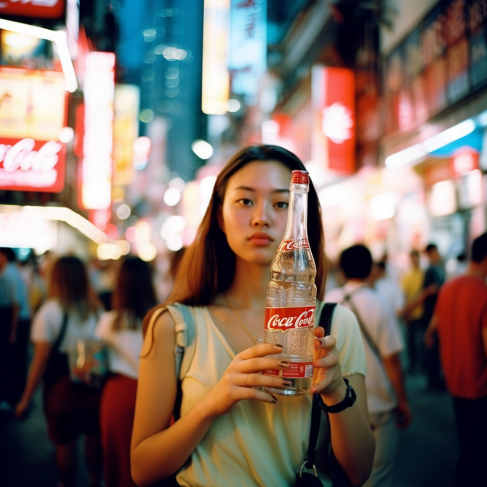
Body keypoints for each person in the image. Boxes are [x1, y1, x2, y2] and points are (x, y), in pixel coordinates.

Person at [131, 145, 375, 487]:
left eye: (281, 203)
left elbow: (360, 471)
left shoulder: (334, 323)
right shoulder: (174, 325)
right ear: (219, 215)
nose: (262, 217)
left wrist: (335, 390)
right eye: (245, 201)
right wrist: (215, 401)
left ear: (301, 213)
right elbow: (142, 469)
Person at [326, 244, 412, 487]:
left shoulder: (330, 302)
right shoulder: (381, 303)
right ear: (371, 268)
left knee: (344, 472)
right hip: (380, 401)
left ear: (342, 270)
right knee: (379, 474)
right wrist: (403, 400)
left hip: (340, 404)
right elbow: (392, 359)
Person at [15, 256, 103, 487]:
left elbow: (40, 360)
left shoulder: (49, 313)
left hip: (62, 387)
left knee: (65, 443)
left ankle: (66, 483)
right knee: (94, 436)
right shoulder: (97, 311)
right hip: (94, 386)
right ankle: (96, 480)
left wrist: (25, 398)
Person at [424, 232, 487, 487]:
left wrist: (429, 334)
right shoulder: (483, 293)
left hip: (454, 380)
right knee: (479, 451)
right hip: (480, 385)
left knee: (467, 442)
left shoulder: (449, 286)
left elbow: (433, 328)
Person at [96, 256, 157, 487]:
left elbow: (97, 361)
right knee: (152, 461)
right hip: (155, 394)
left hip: (118, 394)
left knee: (119, 460)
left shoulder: (108, 322)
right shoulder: (160, 318)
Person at [0, 248, 32, 406]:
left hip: (16, 321)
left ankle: (13, 397)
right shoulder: (11, 272)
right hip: (17, 321)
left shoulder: (9, 274)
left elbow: (16, 304)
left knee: (13, 360)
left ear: (4, 256)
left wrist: (12, 331)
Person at [421, 243, 446, 390]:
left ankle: (435, 378)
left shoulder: (435, 269)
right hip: (431, 314)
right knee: (432, 346)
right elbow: (430, 291)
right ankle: (433, 379)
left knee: (435, 347)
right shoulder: (431, 270)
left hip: (434, 313)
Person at [400, 250, 425, 373]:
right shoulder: (407, 276)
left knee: (420, 341)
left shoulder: (424, 274)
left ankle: (420, 364)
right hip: (412, 314)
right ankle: (414, 364)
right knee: (411, 341)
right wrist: (406, 313)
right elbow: (403, 296)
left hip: (422, 313)